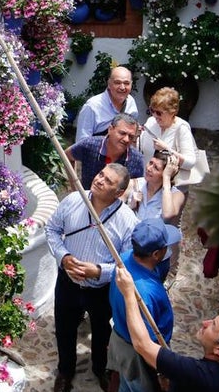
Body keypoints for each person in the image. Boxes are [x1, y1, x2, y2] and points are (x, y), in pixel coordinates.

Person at [45, 163, 139, 392]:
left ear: (119, 193)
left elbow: (126, 265)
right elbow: (52, 229)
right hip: (67, 283)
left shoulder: (128, 221)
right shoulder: (73, 200)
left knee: (101, 331)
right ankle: (65, 371)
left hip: (101, 290)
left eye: (108, 181)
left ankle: (101, 368)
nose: (99, 180)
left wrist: (98, 271)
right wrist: (63, 257)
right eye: (100, 175)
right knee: (64, 328)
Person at [99, 218, 179, 392]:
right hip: (138, 352)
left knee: (128, 390)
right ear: (157, 253)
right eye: (166, 247)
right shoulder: (146, 291)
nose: (169, 250)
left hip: (119, 340)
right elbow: (143, 341)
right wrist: (159, 369)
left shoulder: (123, 258)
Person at [136, 86, 199, 220]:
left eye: (159, 113)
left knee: (169, 224)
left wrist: (167, 149)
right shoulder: (151, 122)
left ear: (173, 112)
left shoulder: (181, 128)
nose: (155, 116)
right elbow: (142, 149)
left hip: (172, 187)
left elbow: (190, 162)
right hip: (150, 183)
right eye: (152, 111)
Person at [125, 151, 184, 273]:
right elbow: (117, 213)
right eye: (150, 163)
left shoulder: (176, 195)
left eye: (156, 168)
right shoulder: (134, 184)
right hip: (132, 248)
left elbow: (168, 213)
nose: (149, 168)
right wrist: (129, 206)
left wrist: (166, 179)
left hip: (156, 256)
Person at [67, 113, 145, 190]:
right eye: (122, 133)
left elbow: (137, 188)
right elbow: (67, 156)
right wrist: (75, 188)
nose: (126, 139)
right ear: (110, 129)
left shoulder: (137, 160)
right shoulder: (90, 145)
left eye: (131, 136)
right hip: (86, 199)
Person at [76, 65, 139, 142]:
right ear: (109, 84)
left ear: (131, 84)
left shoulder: (131, 102)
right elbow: (81, 143)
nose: (122, 87)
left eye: (126, 83)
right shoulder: (92, 106)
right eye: (117, 82)